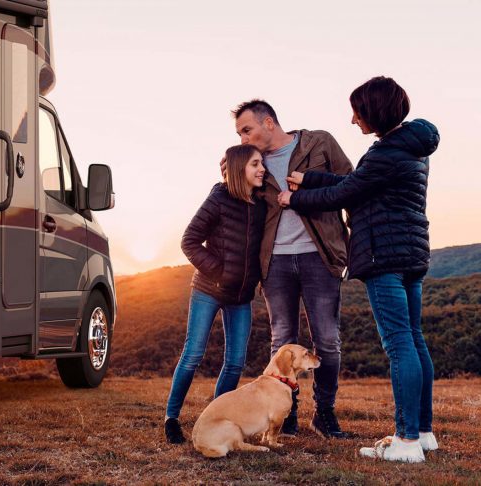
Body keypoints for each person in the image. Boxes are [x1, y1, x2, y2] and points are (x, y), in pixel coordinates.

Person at [279, 76, 440, 463]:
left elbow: (344, 193)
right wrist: (312, 177)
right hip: (412, 254)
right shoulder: (412, 148)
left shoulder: (385, 153)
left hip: (383, 255)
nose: (353, 119)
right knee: (414, 339)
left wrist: (294, 198)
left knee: (399, 343)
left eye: (357, 111)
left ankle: (404, 443)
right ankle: (423, 434)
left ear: (374, 111)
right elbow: (358, 182)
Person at [227, 100, 353, 439]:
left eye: (247, 130)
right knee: (281, 341)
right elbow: (239, 203)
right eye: (240, 134)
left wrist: (356, 247)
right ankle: (288, 413)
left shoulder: (319, 143)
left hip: (319, 256)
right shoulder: (254, 164)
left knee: (326, 340)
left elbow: (352, 188)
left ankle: (324, 414)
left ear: (269, 122)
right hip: (275, 262)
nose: (243, 139)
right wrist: (231, 171)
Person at [165, 144, 267, 444]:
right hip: (209, 289)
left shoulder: (261, 205)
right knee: (193, 354)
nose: (262, 169)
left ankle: (216, 417)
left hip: (241, 297)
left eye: (261, 163)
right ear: (239, 169)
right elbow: (189, 241)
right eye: (255, 164)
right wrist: (220, 272)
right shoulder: (219, 198)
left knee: (235, 361)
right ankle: (171, 417)